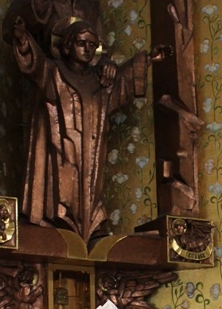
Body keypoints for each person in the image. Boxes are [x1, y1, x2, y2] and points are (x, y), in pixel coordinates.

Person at [11, 16, 169, 242]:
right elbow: (36, 65)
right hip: (60, 147)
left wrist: (149, 59)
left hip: (92, 150)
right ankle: (56, 220)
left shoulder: (100, 80)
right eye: (81, 43)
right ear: (67, 46)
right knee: (61, 183)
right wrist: (23, 38)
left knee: (90, 186)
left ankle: (89, 227)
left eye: (92, 46)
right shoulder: (55, 71)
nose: (87, 49)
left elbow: (123, 82)